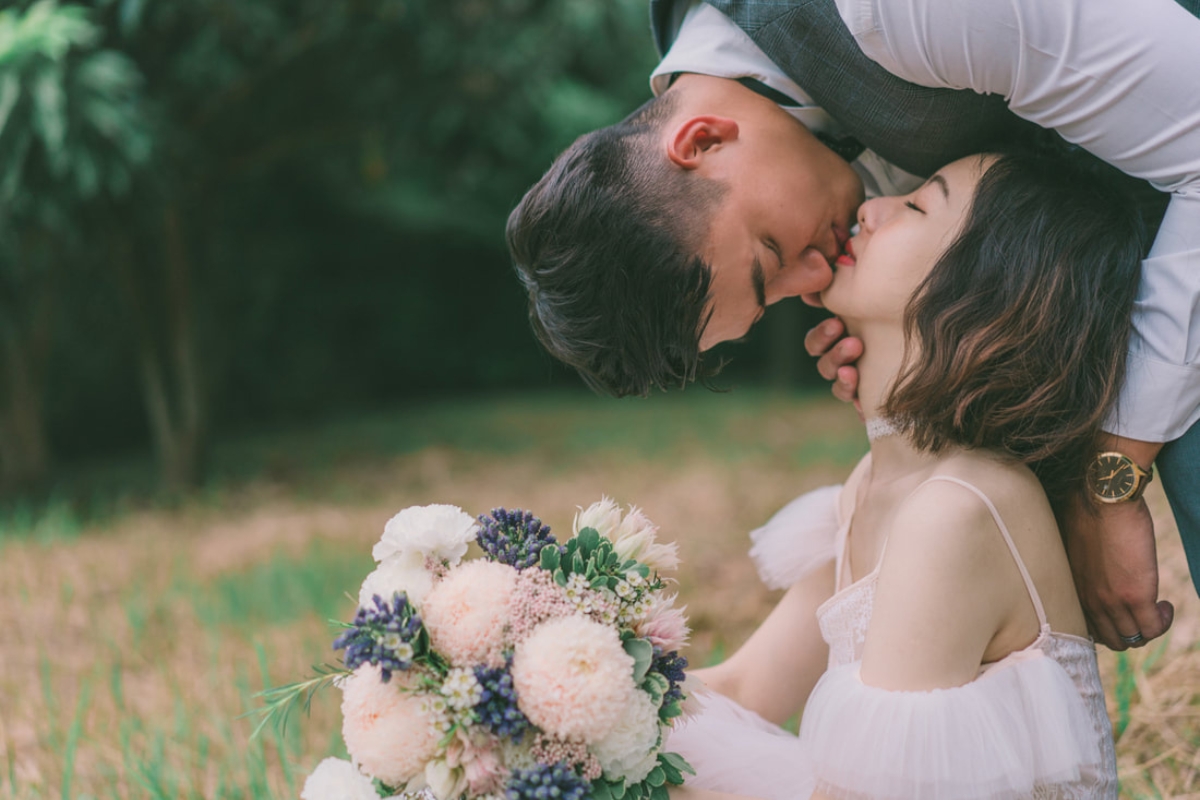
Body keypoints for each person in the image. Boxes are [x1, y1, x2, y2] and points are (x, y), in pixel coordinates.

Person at [506, 0, 1200, 652]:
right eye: (776, 297)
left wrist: (1110, 475)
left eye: (771, 257)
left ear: (703, 139)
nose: (813, 284)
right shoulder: (727, 90)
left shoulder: (895, 15)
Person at [664, 148, 1142, 800]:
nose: (871, 207)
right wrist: (562, 695)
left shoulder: (958, 510)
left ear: (986, 290)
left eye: (917, 205)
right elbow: (745, 690)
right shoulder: (874, 484)